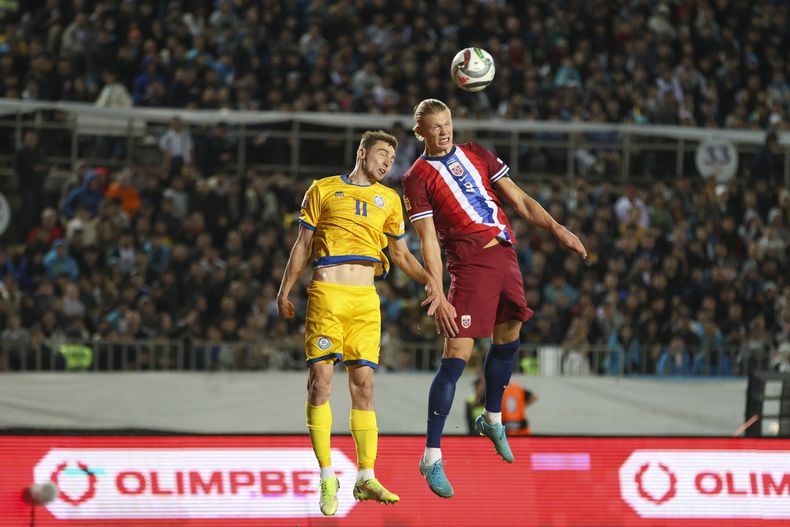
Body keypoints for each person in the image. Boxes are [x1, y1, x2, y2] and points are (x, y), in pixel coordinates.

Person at [402, 99, 587, 498]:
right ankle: (431, 456)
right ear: (421, 133)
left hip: (505, 253)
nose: (444, 131)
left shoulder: (476, 152)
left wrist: (559, 229)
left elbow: (520, 200)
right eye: (435, 127)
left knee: (510, 338)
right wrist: (436, 287)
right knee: (455, 356)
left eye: (447, 122)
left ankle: (492, 418)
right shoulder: (416, 177)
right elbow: (427, 241)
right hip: (468, 264)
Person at [277, 130, 452, 516]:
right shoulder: (322, 190)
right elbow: (303, 246)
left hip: (365, 302)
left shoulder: (389, 200)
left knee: (365, 387)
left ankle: (365, 476)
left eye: (393, 156)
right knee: (319, 384)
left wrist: (433, 282)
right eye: (383, 153)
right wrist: (285, 290)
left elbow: (402, 256)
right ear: (362, 153)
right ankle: (326, 475)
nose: (389, 161)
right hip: (327, 296)